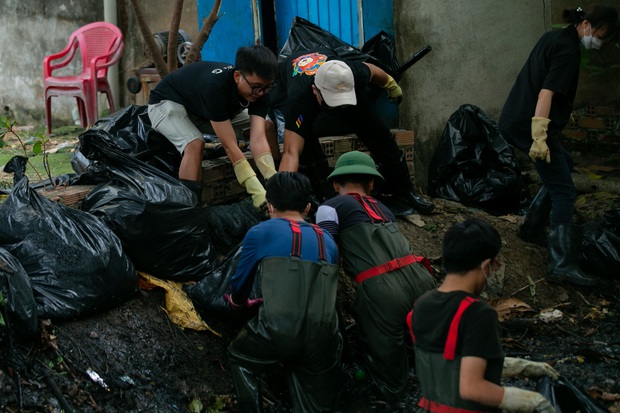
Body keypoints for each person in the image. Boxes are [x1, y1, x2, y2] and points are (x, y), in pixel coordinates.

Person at [498, 5, 618, 286]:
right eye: (600, 34)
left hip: (517, 118)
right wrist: (540, 135)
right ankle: (562, 265)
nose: (599, 40)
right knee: (564, 190)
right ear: (587, 24)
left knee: (565, 163)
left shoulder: (553, 38)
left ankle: (531, 227)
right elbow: (546, 91)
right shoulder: (568, 51)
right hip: (534, 124)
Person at [315, 151, 438, 407]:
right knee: (434, 355)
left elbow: (327, 253)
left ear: (336, 184)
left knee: (390, 375)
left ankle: (395, 396)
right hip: (423, 282)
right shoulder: (384, 209)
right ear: (371, 184)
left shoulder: (329, 207)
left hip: (383, 291)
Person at [409, 218, 560, 413]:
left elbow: (452, 363)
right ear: (486, 265)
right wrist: (534, 401)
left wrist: (523, 367)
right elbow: (472, 388)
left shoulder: (422, 304)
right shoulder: (478, 314)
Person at [226, 172, 344, 412]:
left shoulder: (261, 232)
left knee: (240, 360)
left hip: (277, 330)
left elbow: (239, 288)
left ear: (270, 205)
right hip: (324, 335)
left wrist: (239, 303)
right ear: (308, 207)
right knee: (313, 403)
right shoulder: (329, 242)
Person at [270, 48, 435, 216]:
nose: (339, 108)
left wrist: (392, 86)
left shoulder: (351, 72)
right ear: (315, 91)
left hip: (347, 89)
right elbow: (291, 153)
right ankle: (326, 196)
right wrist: (282, 201)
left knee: (378, 132)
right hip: (301, 91)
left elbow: (375, 71)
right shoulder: (299, 99)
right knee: (305, 146)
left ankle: (405, 192)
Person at [148, 45, 279, 209]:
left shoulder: (260, 89)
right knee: (195, 144)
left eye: (266, 87)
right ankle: (188, 208)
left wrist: (274, 183)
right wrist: (256, 191)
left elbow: (258, 138)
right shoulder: (215, 87)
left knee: (267, 126)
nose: (260, 93)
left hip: (204, 112)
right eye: (256, 87)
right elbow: (230, 146)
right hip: (166, 104)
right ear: (237, 76)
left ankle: (277, 178)